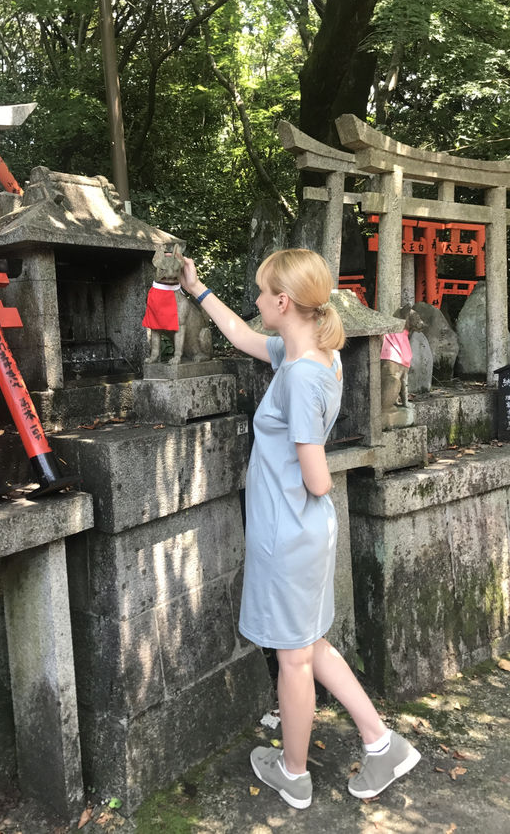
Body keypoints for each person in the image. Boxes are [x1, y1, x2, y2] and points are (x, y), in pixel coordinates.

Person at [180, 248, 420, 810]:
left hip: (290, 532)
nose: (258, 301)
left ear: (283, 302)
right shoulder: (309, 354)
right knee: (309, 643)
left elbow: (317, 479)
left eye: (263, 292)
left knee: (293, 657)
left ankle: (292, 771)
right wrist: (197, 289)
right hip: (297, 530)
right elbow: (241, 335)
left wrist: (293, 463)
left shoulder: (302, 377)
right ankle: (381, 741)